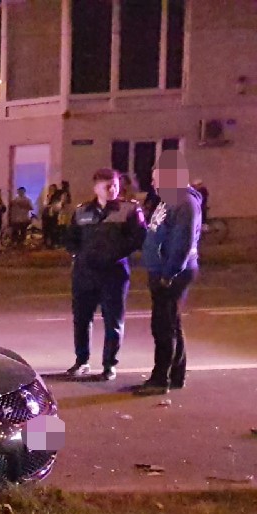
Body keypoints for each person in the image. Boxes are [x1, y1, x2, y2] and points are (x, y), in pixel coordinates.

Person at [64, 168, 146, 382]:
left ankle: (109, 364)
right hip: (85, 274)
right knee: (82, 320)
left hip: (114, 274)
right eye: (107, 186)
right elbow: (70, 239)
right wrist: (79, 255)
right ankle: (81, 361)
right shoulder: (82, 212)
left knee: (113, 321)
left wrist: (113, 255)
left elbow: (138, 239)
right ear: (96, 188)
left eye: (115, 186)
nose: (112, 190)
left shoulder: (129, 210)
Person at [135, 150, 202, 395]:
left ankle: (159, 379)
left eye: (157, 178)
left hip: (171, 273)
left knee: (163, 327)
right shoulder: (170, 199)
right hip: (163, 270)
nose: (153, 183)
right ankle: (175, 375)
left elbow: (182, 243)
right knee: (171, 323)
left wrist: (168, 273)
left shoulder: (184, 202)